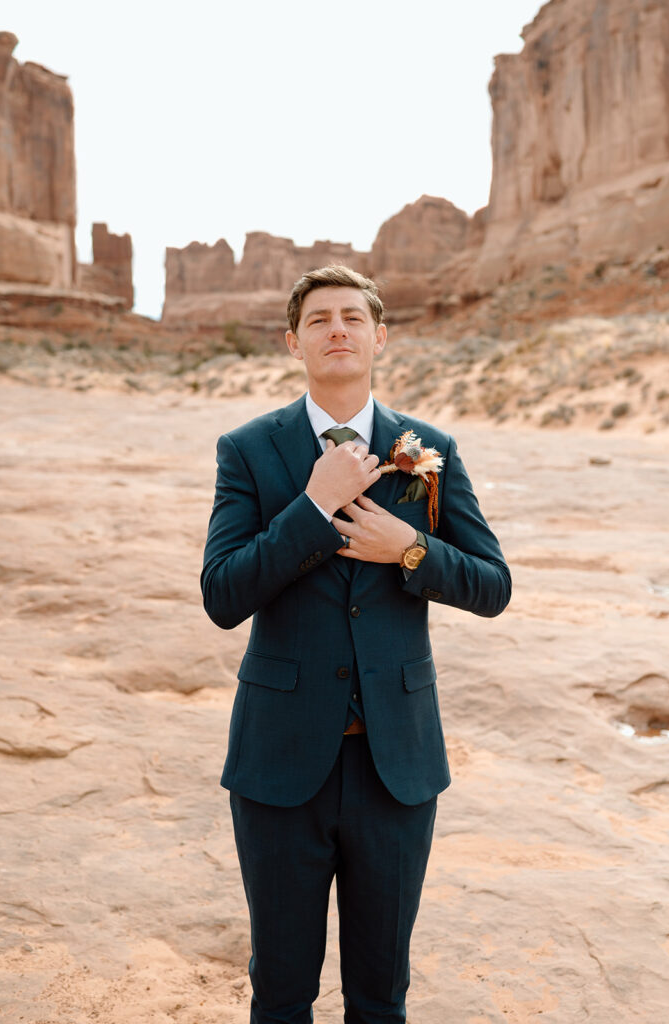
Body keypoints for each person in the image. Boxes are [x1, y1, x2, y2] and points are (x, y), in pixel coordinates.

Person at [201, 264, 511, 1024]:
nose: (335, 330)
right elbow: (223, 594)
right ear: (292, 342)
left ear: (379, 336)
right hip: (278, 766)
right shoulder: (247, 449)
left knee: (380, 992)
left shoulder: (427, 447)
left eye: (350, 317)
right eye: (318, 320)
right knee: (280, 989)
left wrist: (409, 548)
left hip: (395, 767)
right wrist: (314, 502)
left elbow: (492, 584)